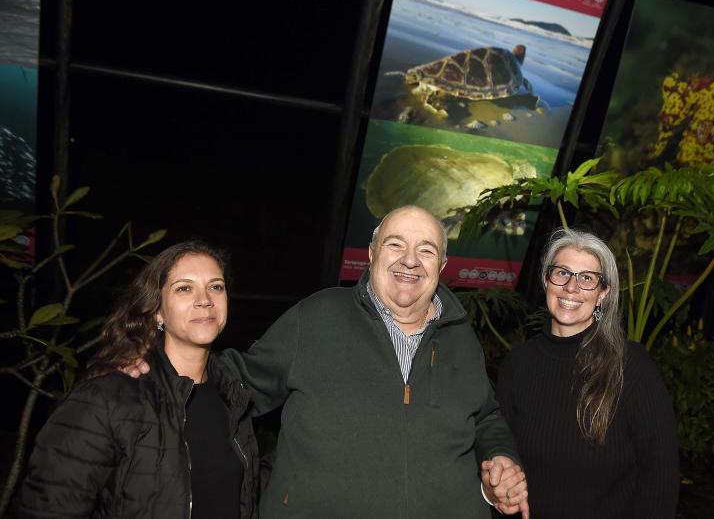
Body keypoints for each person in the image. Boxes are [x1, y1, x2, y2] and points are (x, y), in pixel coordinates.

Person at [126, 205, 529, 518]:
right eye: (395, 244)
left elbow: (486, 417)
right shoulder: (318, 317)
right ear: (371, 254)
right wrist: (155, 366)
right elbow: (239, 381)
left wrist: (503, 457)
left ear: (441, 267)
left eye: (426, 250)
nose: (410, 260)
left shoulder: (460, 334)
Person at [19, 241, 260, 519]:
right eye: (184, 288)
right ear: (158, 310)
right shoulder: (107, 399)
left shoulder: (234, 399)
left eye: (215, 286)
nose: (204, 299)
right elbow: (50, 507)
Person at [495, 228, 680, 518]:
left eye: (587, 278)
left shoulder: (630, 366)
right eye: (562, 273)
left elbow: (661, 474)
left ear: (603, 293)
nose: (571, 287)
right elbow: (501, 452)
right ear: (546, 280)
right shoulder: (518, 363)